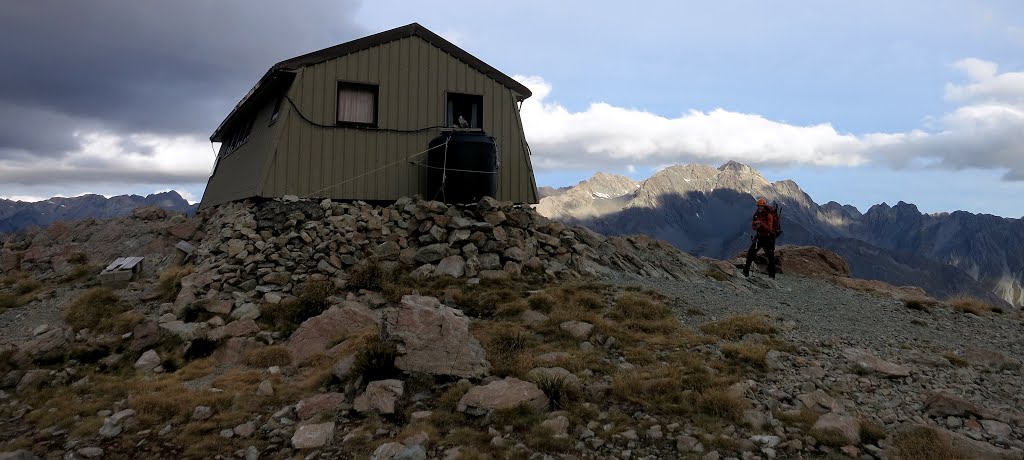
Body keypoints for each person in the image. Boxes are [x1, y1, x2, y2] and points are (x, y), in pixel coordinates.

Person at [743, 197, 781, 278]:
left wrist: (761, 224)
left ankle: (772, 276)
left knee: (770, 257)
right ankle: (745, 272)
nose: (759, 207)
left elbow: (770, 229)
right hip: (759, 236)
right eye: (758, 206)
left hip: (768, 237)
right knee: (750, 253)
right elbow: (753, 226)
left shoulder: (769, 216)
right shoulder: (756, 214)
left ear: (764, 207)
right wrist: (757, 225)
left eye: (761, 206)